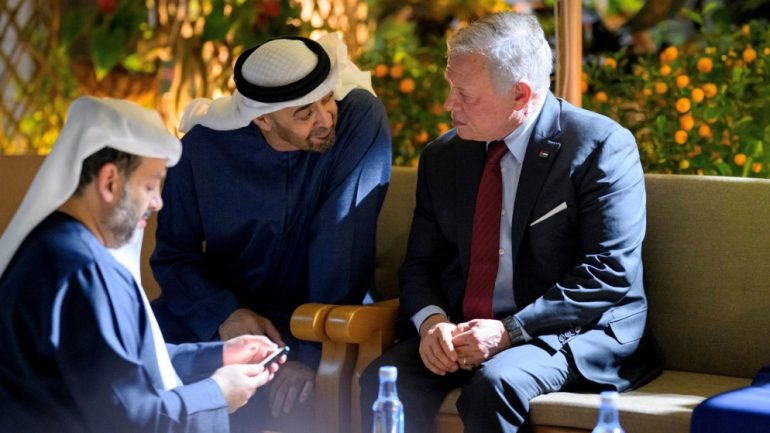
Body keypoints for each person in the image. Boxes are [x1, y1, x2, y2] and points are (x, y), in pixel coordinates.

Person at [360, 12, 661, 433]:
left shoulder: (600, 146)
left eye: (464, 94)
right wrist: (433, 324)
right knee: (383, 379)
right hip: (466, 329)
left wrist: (509, 331)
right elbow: (421, 264)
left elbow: (608, 271)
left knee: (494, 383)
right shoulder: (444, 157)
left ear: (520, 95)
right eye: (450, 87)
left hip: (570, 330)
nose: (449, 104)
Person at [150, 34, 391, 430]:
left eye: (327, 99)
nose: (325, 119)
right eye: (304, 113)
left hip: (320, 316)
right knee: (130, 368)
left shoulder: (356, 119)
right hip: (222, 316)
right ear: (262, 120)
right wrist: (225, 314)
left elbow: (341, 245)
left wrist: (309, 354)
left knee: (279, 393)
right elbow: (174, 255)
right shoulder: (203, 148)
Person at [0, 96, 284, 433]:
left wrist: (219, 355)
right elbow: (128, 419)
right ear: (109, 182)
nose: (158, 202)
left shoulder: (55, 249)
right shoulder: (84, 271)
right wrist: (218, 394)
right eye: (150, 186)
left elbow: (121, 361)